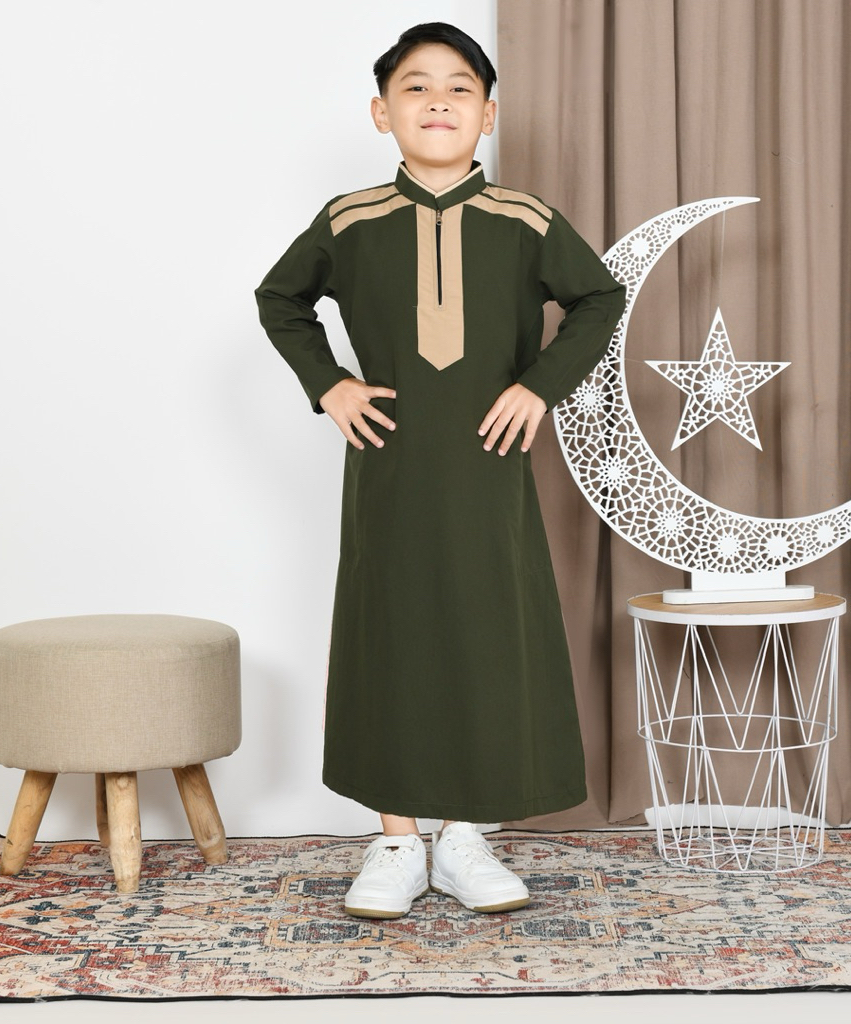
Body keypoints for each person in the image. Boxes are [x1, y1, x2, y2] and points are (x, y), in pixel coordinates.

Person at [255, 22, 625, 920]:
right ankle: (396, 839)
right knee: (392, 628)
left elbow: (598, 297)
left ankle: (462, 836)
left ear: (488, 114)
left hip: (489, 467)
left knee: (485, 629)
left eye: (460, 88)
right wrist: (330, 385)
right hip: (390, 463)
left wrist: (539, 387)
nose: (438, 102)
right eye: (415, 87)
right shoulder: (350, 220)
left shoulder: (524, 219)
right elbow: (280, 298)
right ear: (381, 112)